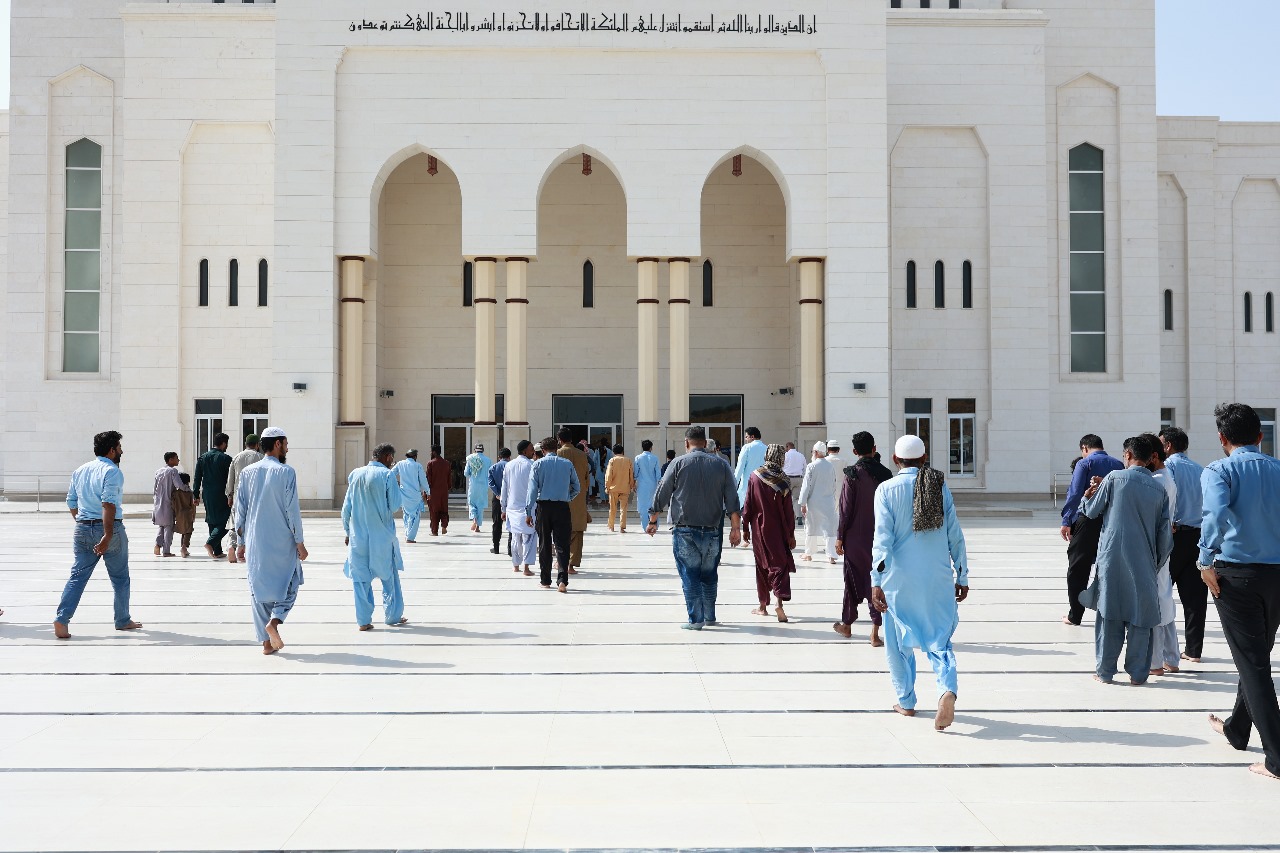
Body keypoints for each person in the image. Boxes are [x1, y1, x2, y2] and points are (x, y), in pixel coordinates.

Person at [1199, 403, 1280, 781]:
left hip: (1237, 576)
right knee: (1256, 654)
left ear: (1222, 438)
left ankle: (1276, 757)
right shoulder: (1278, 468)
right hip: (1277, 575)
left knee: (1253, 664)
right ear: (1260, 436)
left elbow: (1214, 516)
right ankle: (1237, 728)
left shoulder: (1220, 470)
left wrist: (1204, 560)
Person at [870, 435, 969, 729]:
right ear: (924, 459)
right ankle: (946, 689)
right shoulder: (938, 486)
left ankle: (907, 701)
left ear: (895, 460)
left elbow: (882, 539)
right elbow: (954, 533)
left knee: (898, 642)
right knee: (940, 639)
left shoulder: (886, 489)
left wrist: (876, 580)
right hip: (937, 577)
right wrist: (962, 574)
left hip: (898, 581)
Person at [1078, 434, 1173, 686]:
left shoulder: (1114, 478)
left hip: (1112, 560)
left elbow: (1091, 511)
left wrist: (1086, 497)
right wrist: (1154, 563)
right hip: (1144, 563)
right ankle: (1138, 673)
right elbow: (1165, 537)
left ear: (1128, 455)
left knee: (1109, 615)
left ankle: (1105, 671)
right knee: (1141, 618)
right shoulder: (1159, 489)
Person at [648, 426, 743, 630]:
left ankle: (696, 619)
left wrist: (653, 519)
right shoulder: (721, 464)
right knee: (709, 574)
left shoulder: (678, 463)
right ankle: (709, 616)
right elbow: (732, 498)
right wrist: (736, 528)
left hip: (685, 530)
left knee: (690, 574)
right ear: (705, 442)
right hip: (712, 530)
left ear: (686, 443)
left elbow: (662, 492)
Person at [53, 430, 143, 639]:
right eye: (119, 447)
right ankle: (122, 620)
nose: (121, 451)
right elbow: (108, 503)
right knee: (120, 578)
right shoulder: (112, 471)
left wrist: (83, 523)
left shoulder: (80, 470)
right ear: (112, 450)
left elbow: (71, 501)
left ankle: (62, 619)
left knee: (77, 577)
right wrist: (107, 535)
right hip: (110, 529)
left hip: (83, 527)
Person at [233, 426, 308, 655]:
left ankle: (266, 644)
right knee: (291, 583)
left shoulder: (247, 473)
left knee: (258, 591)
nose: (287, 449)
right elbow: (292, 510)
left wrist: (240, 542)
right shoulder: (286, 472)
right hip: (283, 541)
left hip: (255, 540)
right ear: (277, 444)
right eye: (285, 444)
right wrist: (299, 542)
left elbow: (240, 510)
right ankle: (274, 621)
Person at [835, 431, 893, 645]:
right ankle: (875, 632)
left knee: (851, 580)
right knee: (876, 579)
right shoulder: (886, 474)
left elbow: (845, 509)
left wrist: (840, 537)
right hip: (881, 536)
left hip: (855, 537)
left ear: (854, 451)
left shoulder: (853, 474)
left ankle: (847, 624)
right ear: (874, 448)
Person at [1059, 434, 1124, 626]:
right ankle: (1110, 613)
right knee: (1109, 567)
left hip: (1087, 520)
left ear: (1084, 448)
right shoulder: (1118, 464)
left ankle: (1075, 614)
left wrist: (1066, 520)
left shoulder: (1084, 463)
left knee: (1078, 568)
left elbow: (1075, 493)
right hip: (1111, 520)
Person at [341, 443, 408, 631]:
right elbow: (395, 505)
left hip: (358, 537)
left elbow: (346, 509)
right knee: (389, 578)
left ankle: (363, 621)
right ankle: (392, 615)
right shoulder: (387, 475)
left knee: (360, 579)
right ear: (388, 457)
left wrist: (347, 532)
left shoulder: (355, 474)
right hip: (382, 537)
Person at [1160, 426, 1207, 662]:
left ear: (1167, 446)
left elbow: (1166, 498)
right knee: (1195, 597)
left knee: (1161, 591)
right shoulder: (1200, 469)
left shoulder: (1168, 467)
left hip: (1175, 536)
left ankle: (1161, 649)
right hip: (1198, 537)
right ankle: (1193, 650)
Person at [742, 444, 797, 623]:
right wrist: (791, 534)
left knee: (761, 565)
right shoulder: (783, 480)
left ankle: (762, 606)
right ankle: (778, 603)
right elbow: (788, 512)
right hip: (778, 529)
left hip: (759, 528)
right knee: (779, 564)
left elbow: (748, 503)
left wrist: (745, 527)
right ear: (781, 458)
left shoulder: (755, 476)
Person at [1143, 434, 1180, 676]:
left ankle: (1155, 662)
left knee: (1155, 600)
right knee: (1164, 597)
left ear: (1153, 456)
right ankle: (1171, 658)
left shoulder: (1155, 481)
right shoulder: (1166, 477)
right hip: (1164, 543)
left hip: (1154, 545)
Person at [526, 437, 580, 592]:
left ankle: (545, 580)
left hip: (544, 507)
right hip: (562, 507)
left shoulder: (538, 464)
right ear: (556, 449)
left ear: (543, 450)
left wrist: (528, 511)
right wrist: (567, 497)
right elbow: (577, 487)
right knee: (562, 544)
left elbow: (532, 491)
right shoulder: (567, 464)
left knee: (544, 544)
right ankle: (562, 580)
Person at [193, 432, 233, 559]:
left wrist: (195, 494)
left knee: (212, 519)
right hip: (221, 493)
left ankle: (217, 551)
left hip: (207, 493)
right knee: (227, 520)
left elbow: (197, 478)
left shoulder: (202, 457)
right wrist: (231, 494)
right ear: (224, 443)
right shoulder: (226, 459)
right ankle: (211, 543)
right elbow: (231, 479)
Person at [798, 441, 839, 564]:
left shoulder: (811, 466)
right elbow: (834, 485)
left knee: (811, 527)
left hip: (813, 502)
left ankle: (809, 553)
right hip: (828, 501)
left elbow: (806, 486)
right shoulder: (830, 466)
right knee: (830, 528)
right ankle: (831, 555)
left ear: (815, 452)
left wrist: (803, 503)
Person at [557, 429, 592, 572]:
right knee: (577, 532)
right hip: (578, 498)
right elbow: (587, 479)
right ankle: (571, 564)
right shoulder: (582, 455)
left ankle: (561, 562)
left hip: (560, 498)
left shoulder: (558, 454)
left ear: (559, 440)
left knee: (560, 532)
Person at [501, 439, 538, 576]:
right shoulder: (531, 465)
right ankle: (526, 568)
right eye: (531, 449)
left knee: (515, 538)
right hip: (528, 508)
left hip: (512, 507)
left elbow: (504, 489)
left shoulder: (509, 465)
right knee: (529, 538)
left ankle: (516, 565)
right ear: (524, 451)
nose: (533, 451)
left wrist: (503, 508)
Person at [225, 435, 263, 564]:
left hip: (238, 496)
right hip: (255, 497)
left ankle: (232, 546)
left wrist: (230, 496)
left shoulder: (236, 457)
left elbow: (230, 479)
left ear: (245, 444)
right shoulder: (260, 457)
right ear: (257, 445)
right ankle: (247, 550)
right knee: (253, 524)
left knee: (235, 523)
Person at [392, 449, 430, 543]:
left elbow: (390, 474)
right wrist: (428, 492)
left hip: (403, 494)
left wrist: (396, 484)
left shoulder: (400, 464)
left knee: (406, 515)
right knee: (415, 516)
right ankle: (410, 537)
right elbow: (423, 480)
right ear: (415, 456)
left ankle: (407, 534)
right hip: (415, 495)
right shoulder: (417, 465)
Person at [151, 451, 183, 558]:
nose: (178, 460)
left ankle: (157, 545)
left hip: (158, 503)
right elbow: (179, 485)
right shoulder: (173, 471)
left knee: (162, 525)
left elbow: (154, 488)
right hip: (168, 503)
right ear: (170, 460)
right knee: (169, 526)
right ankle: (166, 551)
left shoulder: (158, 471)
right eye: (176, 458)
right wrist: (187, 490)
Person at [605, 443, 636, 532]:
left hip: (613, 488)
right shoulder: (628, 460)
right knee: (623, 509)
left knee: (612, 508)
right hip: (625, 488)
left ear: (613, 452)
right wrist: (632, 485)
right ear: (622, 451)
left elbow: (608, 475)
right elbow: (631, 475)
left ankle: (611, 526)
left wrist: (607, 486)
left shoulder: (612, 460)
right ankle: (622, 527)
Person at [464, 443, 493, 533]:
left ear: (474, 450)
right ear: (483, 450)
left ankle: (474, 519)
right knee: (480, 506)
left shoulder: (470, 458)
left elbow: (466, 473)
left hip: (473, 485)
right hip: (483, 486)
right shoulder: (488, 460)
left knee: (471, 503)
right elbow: (490, 473)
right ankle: (478, 527)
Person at [733, 426, 766, 505]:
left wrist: (734, 484)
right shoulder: (766, 448)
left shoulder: (747, 447)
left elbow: (740, 467)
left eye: (746, 437)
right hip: (762, 485)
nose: (746, 439)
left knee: (746, 509)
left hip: (747, 485)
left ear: (752, 437)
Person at [634, 440, 662, 529]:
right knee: (653, 505)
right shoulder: (655, 458)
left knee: (643, 505)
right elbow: (658, 473)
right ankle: (655, 524)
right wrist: (659, 484)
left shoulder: (638, 458)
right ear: (651, 448)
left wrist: (634, 483)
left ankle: (645, 526)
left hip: (642, 484)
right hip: (653, 485)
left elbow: (636, 473)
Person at [488, 448, 512, 554]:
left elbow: (491, 483)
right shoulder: (512, 466)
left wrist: (498, 494)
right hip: (511, 498)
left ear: (499, 457)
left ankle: (496, 547)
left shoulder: (493, 468)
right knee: (511, 523)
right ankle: (510, 549)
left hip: (497, 498)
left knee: (497, 523)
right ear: (509, 457)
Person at [425, 445, 451, 535]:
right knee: (444, 509)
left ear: (434, 452)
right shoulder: (447, 463)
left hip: (434, 491)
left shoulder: (431, 463)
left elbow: (428, 479)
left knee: (434, 511)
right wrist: (447, 488)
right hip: (444, 491)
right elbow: (449, 479)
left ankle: (434, 531)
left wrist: (426, 492)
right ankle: (444, 525)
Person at [783, 441, 807, 525]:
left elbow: (781, 467)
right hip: (798, 478)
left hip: (787, 478)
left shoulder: (785, 455)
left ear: (787, 447)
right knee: (797, 499)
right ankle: (799, 517)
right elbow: (805, 468)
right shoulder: (801, 455)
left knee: (786, 498)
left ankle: (788, 517)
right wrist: (802, 477)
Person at [174, 472, 196, 558]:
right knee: (188, 531)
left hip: (179, 514)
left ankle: (183, 547)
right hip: (188, 514)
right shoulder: (189, 492)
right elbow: (193, 505)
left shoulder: (176, 493)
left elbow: (173, 504)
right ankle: (184, 547)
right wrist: (193, 515)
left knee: (183, 531)